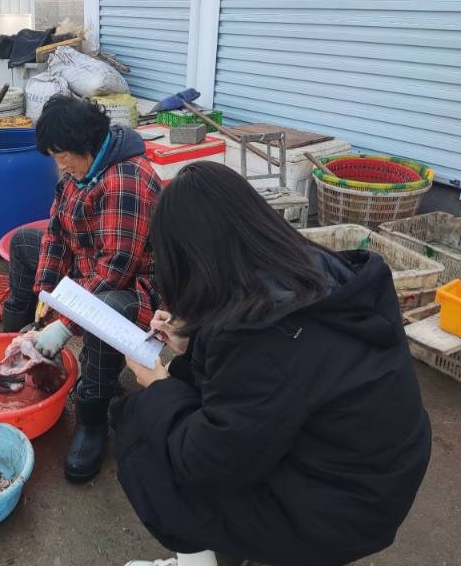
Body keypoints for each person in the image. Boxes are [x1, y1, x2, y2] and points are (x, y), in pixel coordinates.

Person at [112, 162, 432, 566]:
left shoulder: (261, 333)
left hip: (343, 509)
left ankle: (203, 563)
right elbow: (260, 389)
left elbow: (207, 461)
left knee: (147, 442)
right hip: (380, 470)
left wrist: (158, 385)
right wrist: (193, 337)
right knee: (178, 410)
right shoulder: (306, 269)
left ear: (193, 257)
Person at [3, 95, 162, 483]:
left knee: (105, 310)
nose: (59, 165)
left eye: (62, 155)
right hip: (89, 269)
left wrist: (66, 324)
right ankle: (16, 342)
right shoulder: (78, 173)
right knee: (25, 242)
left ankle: (92, 415)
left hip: (135, 288)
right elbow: (56, 235)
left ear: (85, 144)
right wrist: (45, 299)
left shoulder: (126, 179)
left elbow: (116, 269)